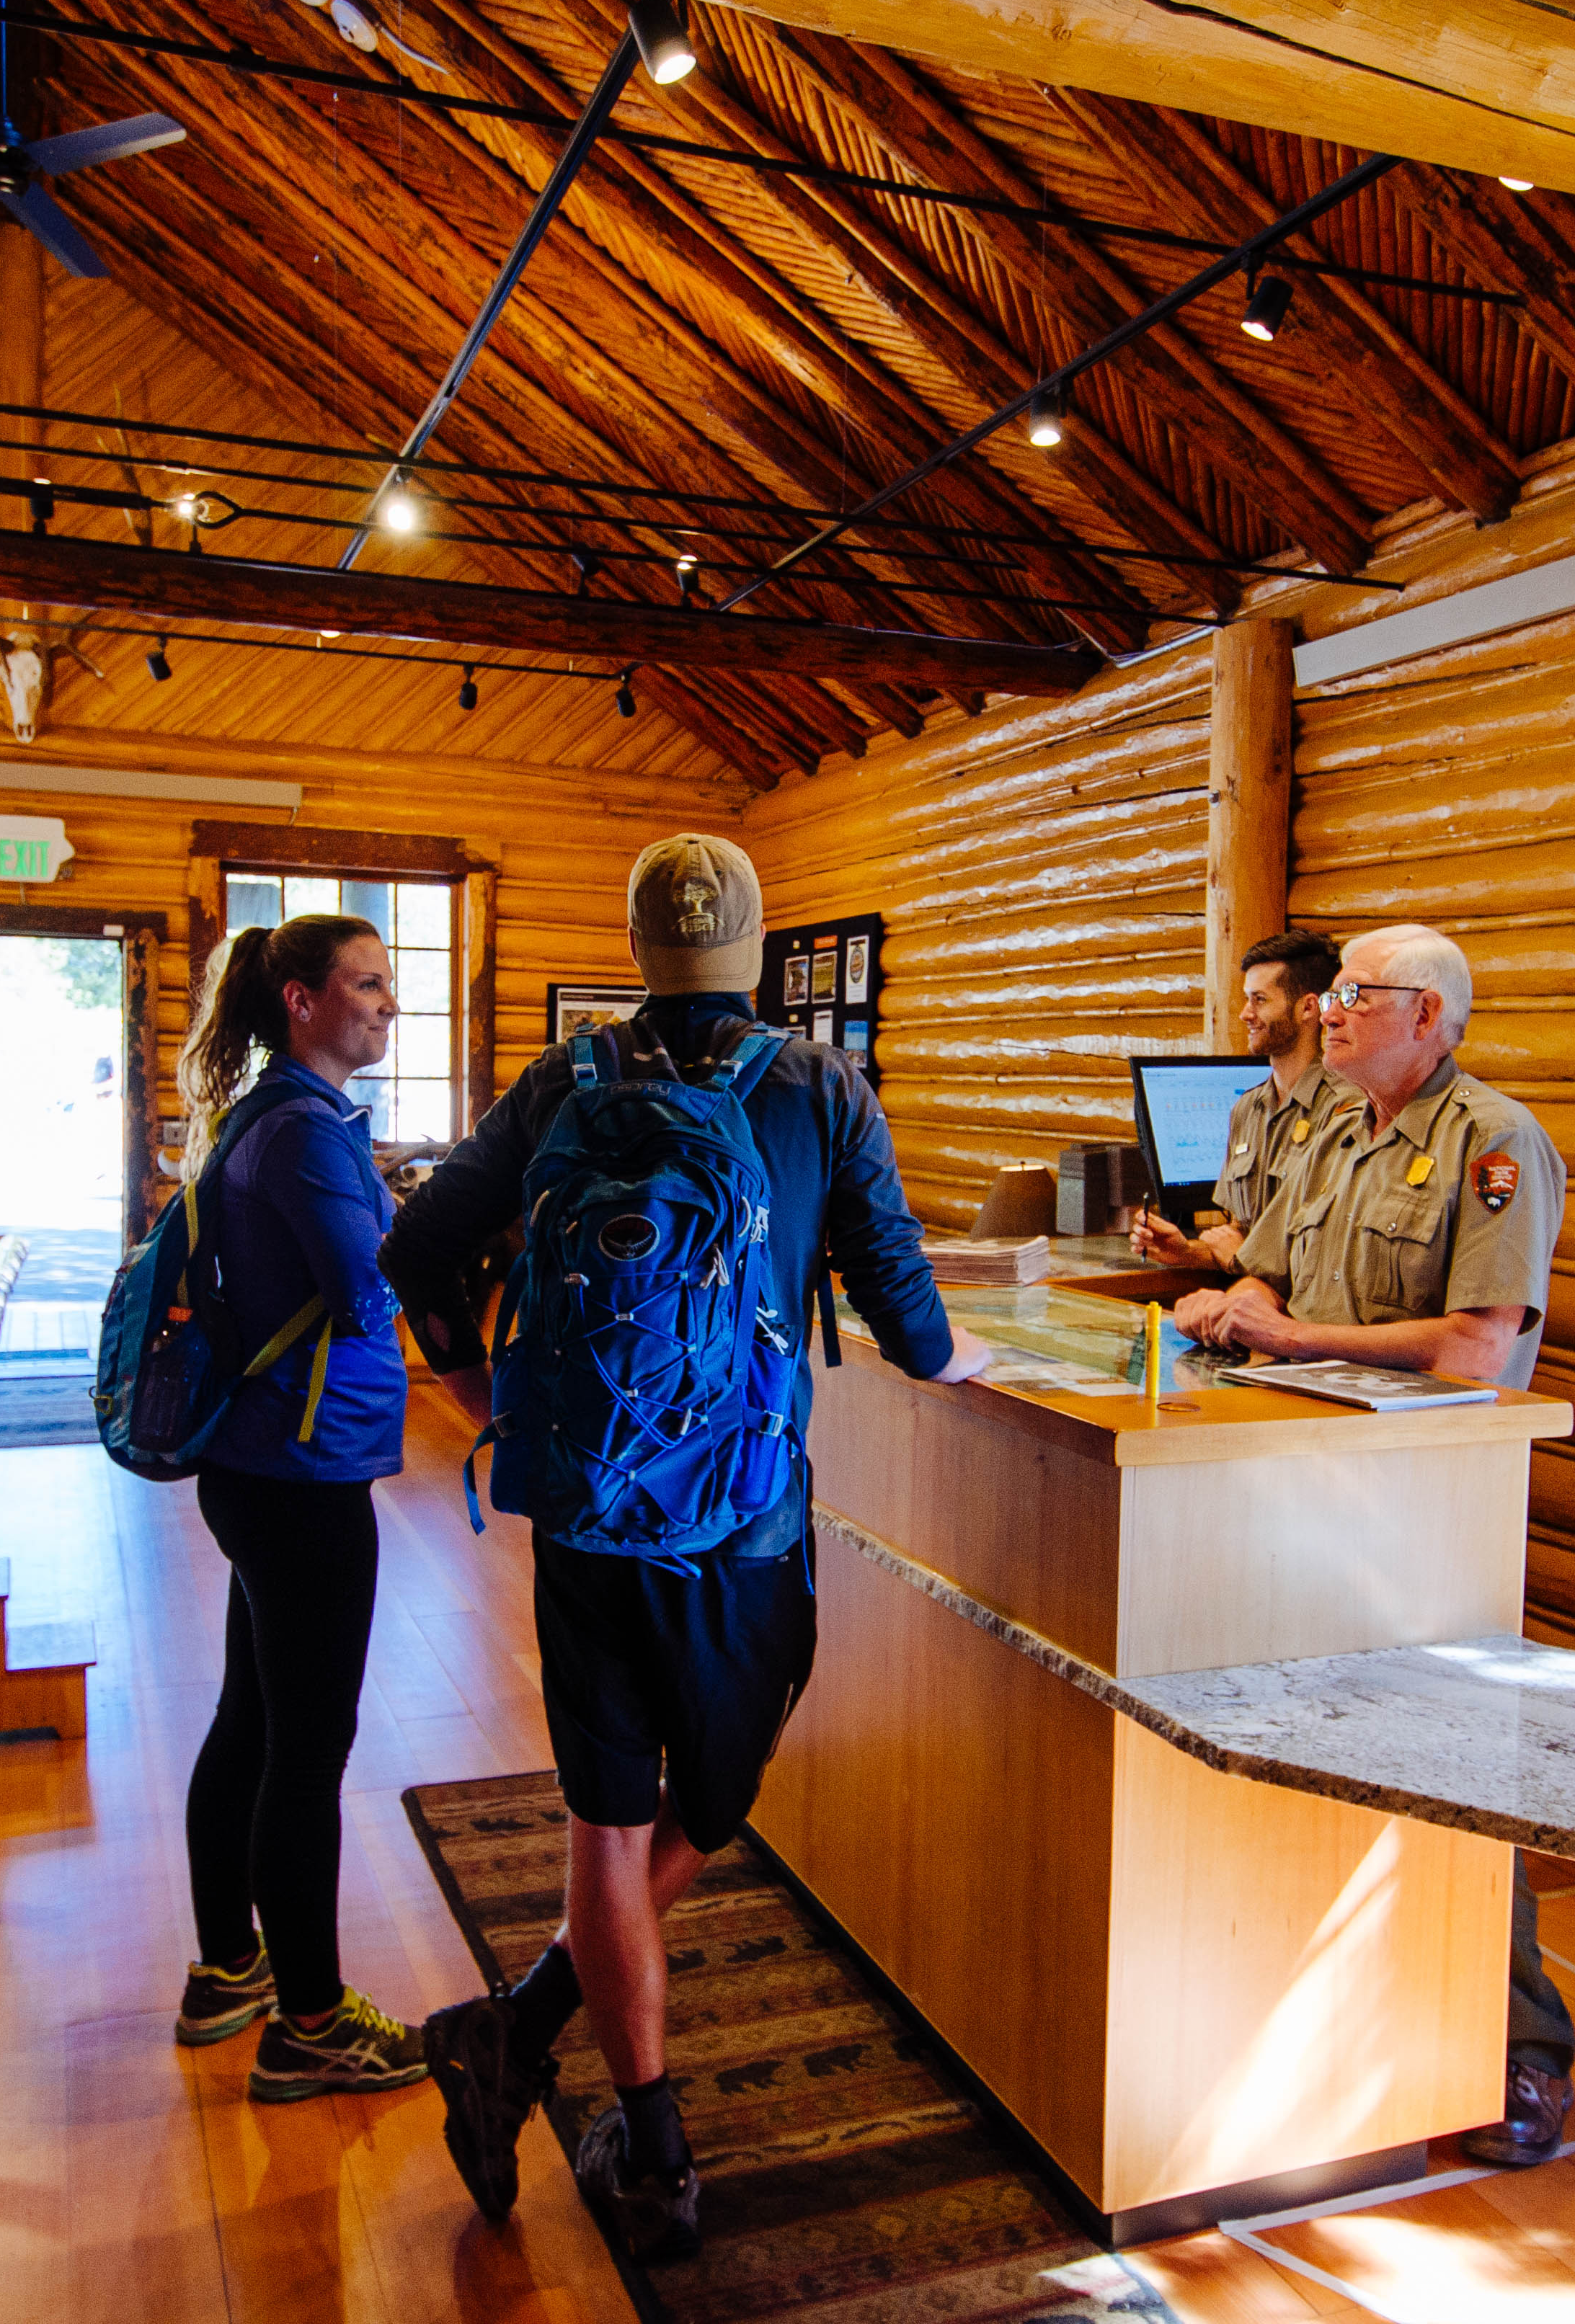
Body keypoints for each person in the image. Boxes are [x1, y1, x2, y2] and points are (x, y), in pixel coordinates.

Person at [381, 832, 989, 2261]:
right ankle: (583, 2089)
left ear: (641, 948)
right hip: (746, 1526)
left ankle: (624, 2129)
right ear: (759, 946)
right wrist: (959, 1363)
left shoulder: (565, 1081)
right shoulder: (820, 1086)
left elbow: (417, 1250)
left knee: (603, 1822)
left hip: (593, 1518)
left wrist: (481, 1392)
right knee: (711, 1810)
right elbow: (909, 1321)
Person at [1168, 920, 1575, 2166]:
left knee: (1452, 1750)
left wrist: (1290, 1338)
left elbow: (1471, 1343)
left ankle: (1520, 2044)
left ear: (1431, 1016)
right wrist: (1240, 1306)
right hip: (1303, 1472)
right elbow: (1273, 1278)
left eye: (1358, 994)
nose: (1329, 1010)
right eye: (1332, 990)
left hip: (1423, 1494)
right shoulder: (1336, 1131)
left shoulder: (1491, 1143)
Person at [166, 912, 430, 2105]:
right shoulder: (309, 1136)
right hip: (305, 1474)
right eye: (367, 985)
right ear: (300, 1000)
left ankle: (230, 1967)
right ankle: (311, 2021)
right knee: (303, 1749)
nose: (386, 1002)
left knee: (251, 1719)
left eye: (388, 985)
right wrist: (435, 1235)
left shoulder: (271, 1115)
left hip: (261, 1460)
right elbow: (371, 1295)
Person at [1132, 925, 1348, 1274]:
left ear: (1308, 1008)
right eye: (1248, 999)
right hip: (1245, 1307)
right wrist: (1186, 1251)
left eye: (1260, 1000)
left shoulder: (1345, 1112)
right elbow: (1238, 1237)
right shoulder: (1247, 1109)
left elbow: (1325, 1264)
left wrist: (1238, 1256)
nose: (1246, 1014)